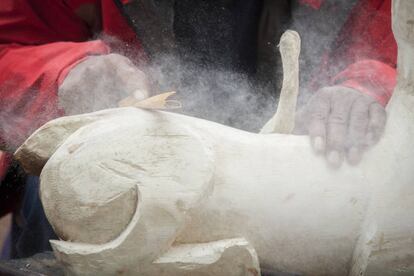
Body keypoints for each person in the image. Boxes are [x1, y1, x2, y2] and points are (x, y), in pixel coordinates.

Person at [0, 0, 395, 259]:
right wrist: (63, 75)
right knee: (64, 172)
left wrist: (365, 87)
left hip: (304, 190)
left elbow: (394, 48)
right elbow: (8, 48)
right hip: (112, 191)